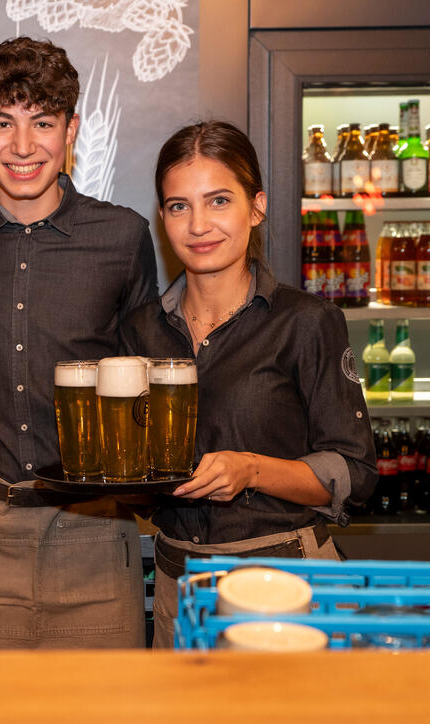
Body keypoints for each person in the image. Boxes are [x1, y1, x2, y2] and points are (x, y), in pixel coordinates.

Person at [0, 36, 158, 649]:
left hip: (93, 534)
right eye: (3, 123)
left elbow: (151, 377)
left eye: (42, 122)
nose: (23, 147)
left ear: (71, 129)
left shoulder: (124, 237)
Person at [120, 121, 377, 648]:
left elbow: (355, 472)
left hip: (285, 583)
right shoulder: (140, 329)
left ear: (255, 207)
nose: (198, 225)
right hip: (178, 585)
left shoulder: (306, 321)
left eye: (218, 201)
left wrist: (252, 470)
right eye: (178, 206)